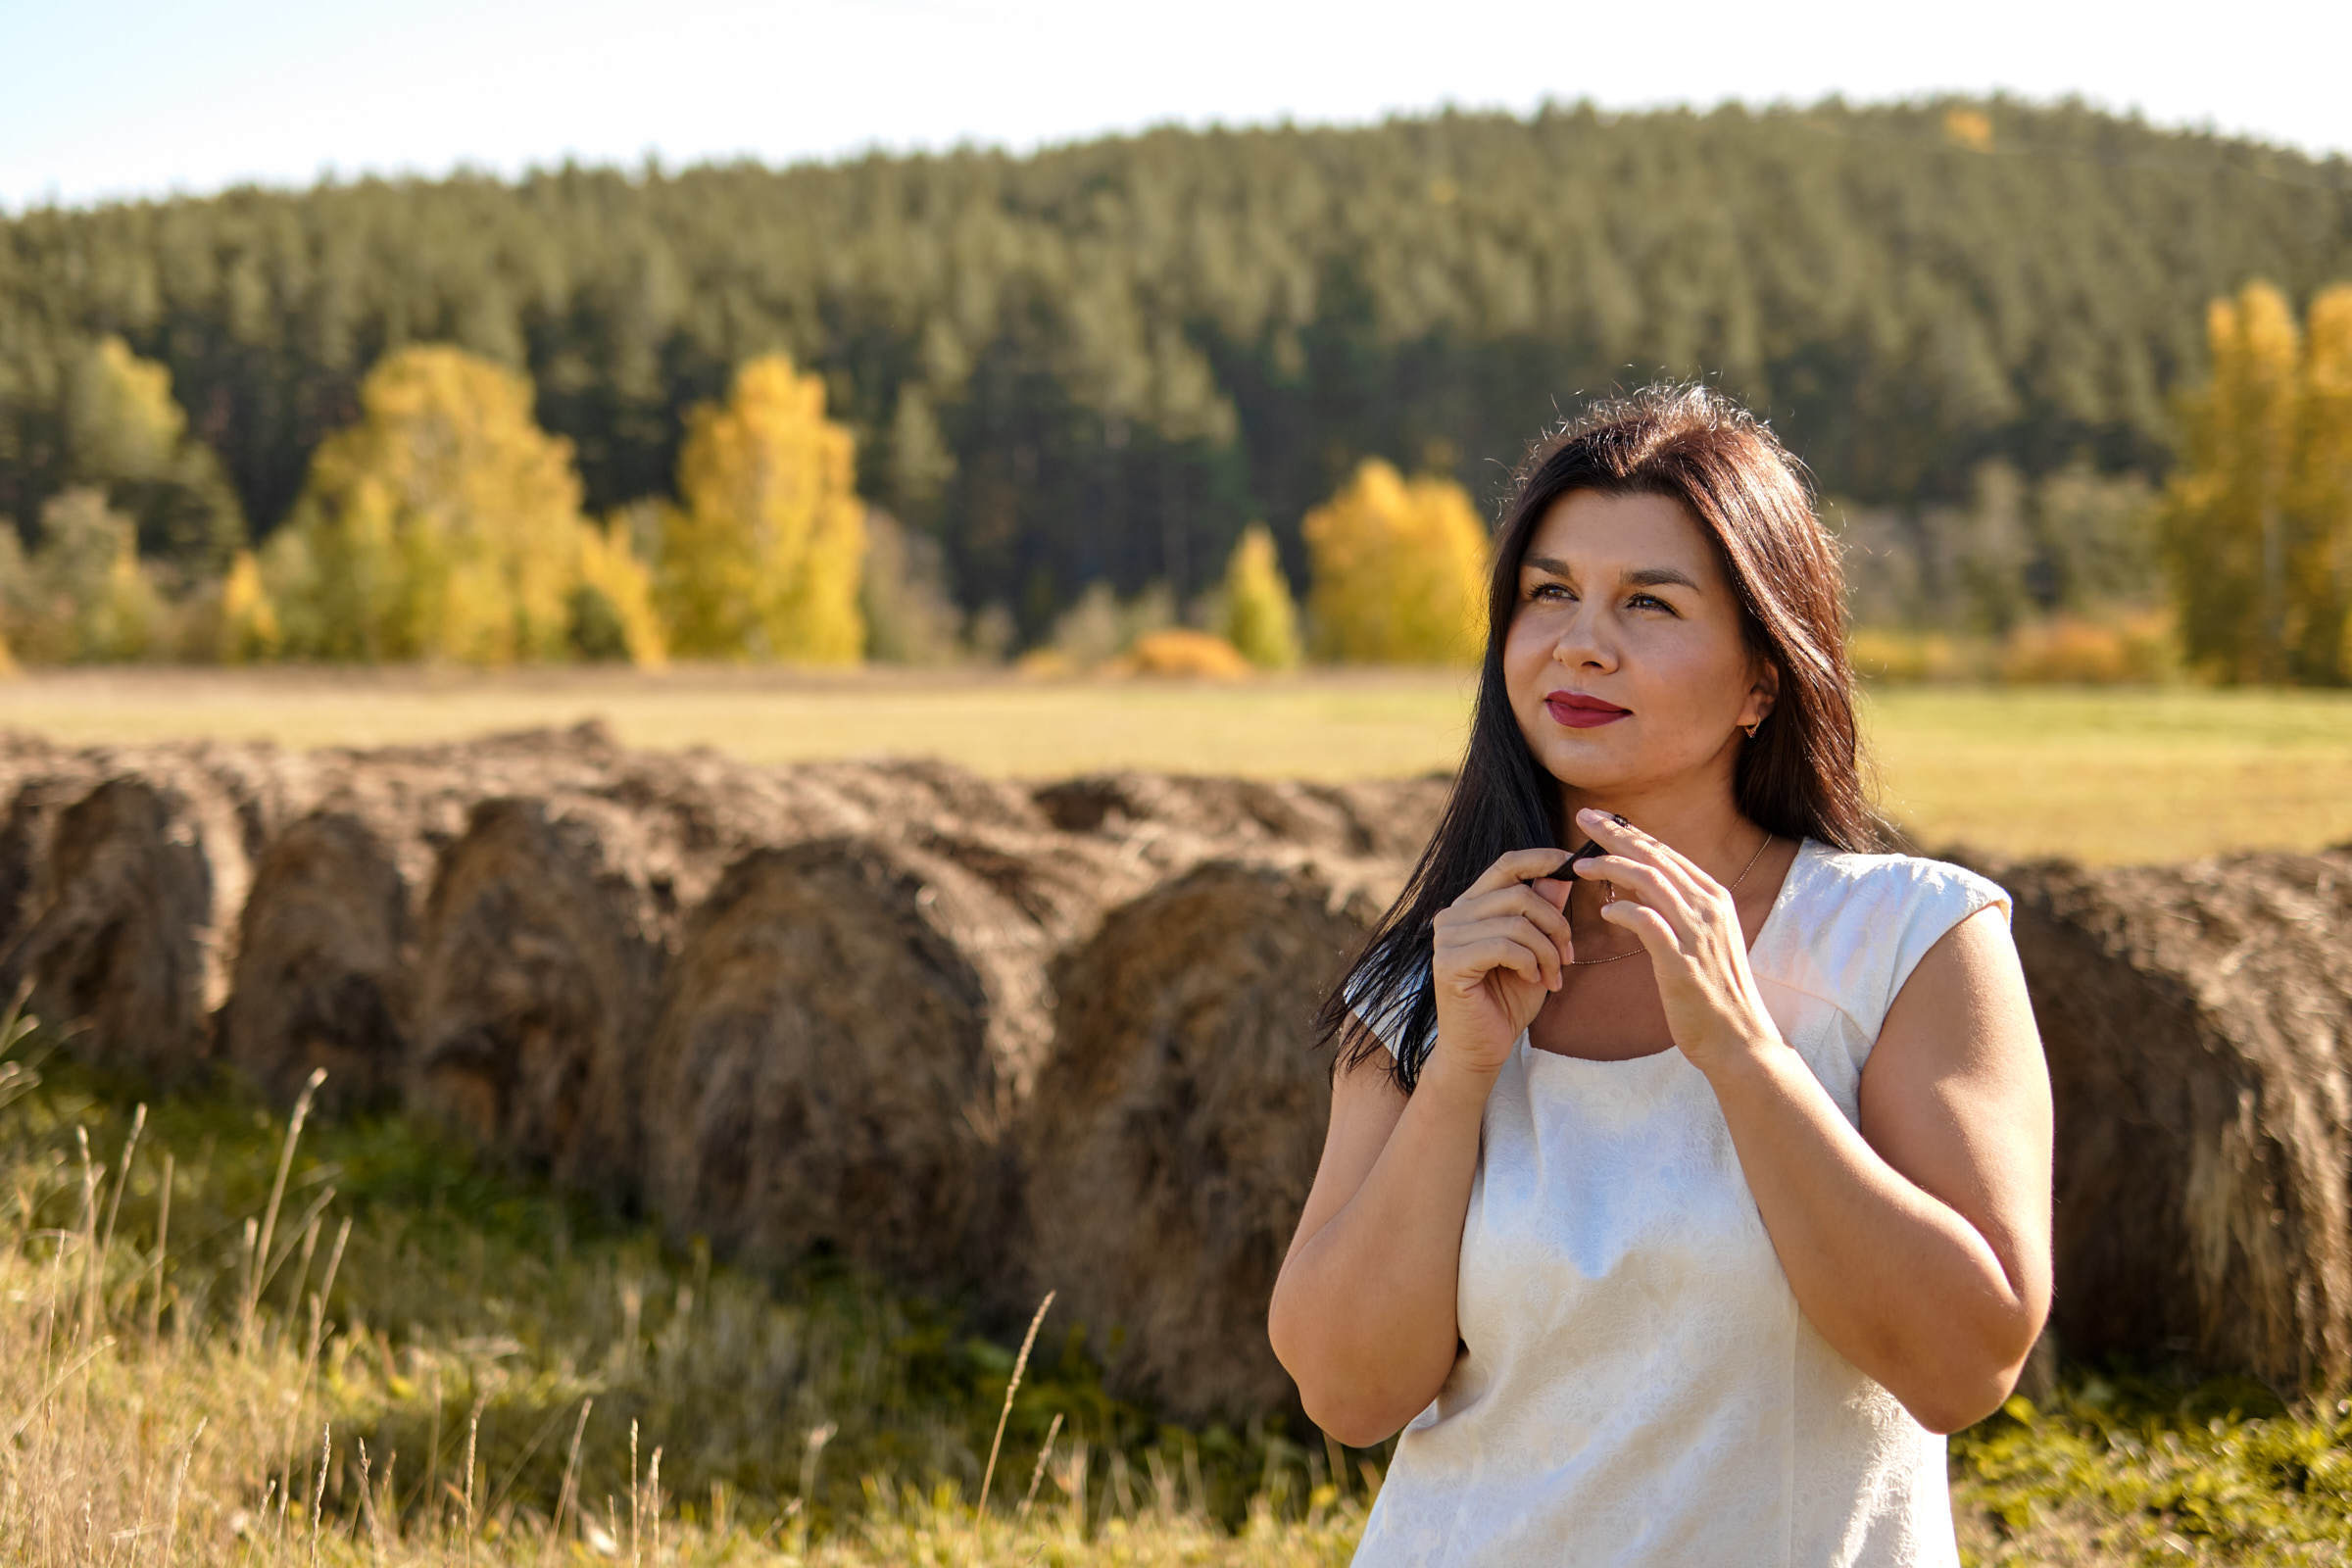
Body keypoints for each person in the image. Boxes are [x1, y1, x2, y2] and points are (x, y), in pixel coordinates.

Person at [1265, 382, 2052, 1566]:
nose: (1584, 640)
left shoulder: (1911, 941)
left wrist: (1741, 1051)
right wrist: (1462, 1070)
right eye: (1550, 593)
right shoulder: (1436, 972)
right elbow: (1347, 1391)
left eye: (1649, 601)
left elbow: (1966, 1362)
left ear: (1761, 679)